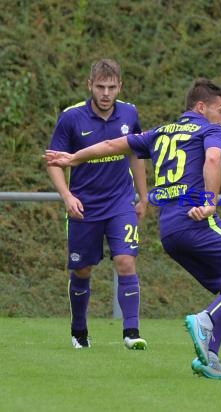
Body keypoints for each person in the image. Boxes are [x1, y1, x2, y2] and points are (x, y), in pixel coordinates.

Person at [44, 78, 221, 381]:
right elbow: (212, 157)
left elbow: (113, 145)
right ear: (201, 107)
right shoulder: (211, 130)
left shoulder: (161, 132)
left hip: (169, 229)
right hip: (195, 219)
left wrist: (75, 157)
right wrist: (209, 201)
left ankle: (210, 358)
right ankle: (206, 319)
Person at [46, 59, 149, 350]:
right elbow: (54, 162)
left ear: (120, 87)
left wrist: (143, 196)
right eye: (100, 87)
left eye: (112, 87)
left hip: (120, 203)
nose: (106, 93)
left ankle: (131, 332)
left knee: (126, 261)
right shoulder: (71, 118)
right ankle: (79, 331)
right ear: (89, 85)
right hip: (84, 206)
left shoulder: (130, 113)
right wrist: (67, 196)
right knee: (83, 270)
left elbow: (136, 154)